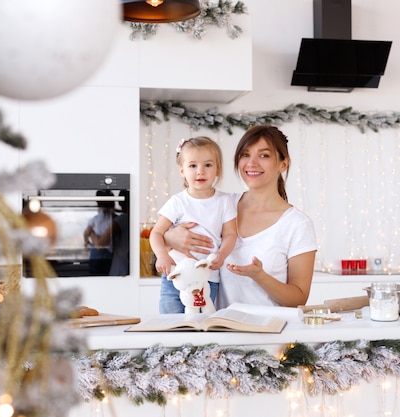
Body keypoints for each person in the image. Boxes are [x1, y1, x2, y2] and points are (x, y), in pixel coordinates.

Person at [163, 125, 317, 309]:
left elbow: (298, 299)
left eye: (264, 155)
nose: (251, 163)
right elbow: (167, 239)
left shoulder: (297, 224)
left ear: (283, 164)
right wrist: (169, 238)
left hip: (268, 332)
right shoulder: (220, 205)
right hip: (218, 331)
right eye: (245, 155)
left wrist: (260, 276)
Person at [151, 136, 237, 313]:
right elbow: (156, 233)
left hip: (207, 277)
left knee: (201, 322)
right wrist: (162, 255)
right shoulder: (178, 202)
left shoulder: (224, 201)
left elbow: (230, 234)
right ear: (182, 170)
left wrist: (221, 254)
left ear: (218, 169)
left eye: (208, 165)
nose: (200, 171)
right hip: (175, 275)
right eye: (192, 166)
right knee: (171, 322)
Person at [87, 189, 130, 276]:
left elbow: (100, 244)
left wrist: (91, 232)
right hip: (125, 265)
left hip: (119, 268)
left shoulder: (121, 219)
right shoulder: (126, 219)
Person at [83, 190, 114, 275]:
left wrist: (86, 242)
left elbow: (86, 233)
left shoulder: (96, 218)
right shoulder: (113, 218)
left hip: (98, 252)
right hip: (108, 252)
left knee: (95, 274)